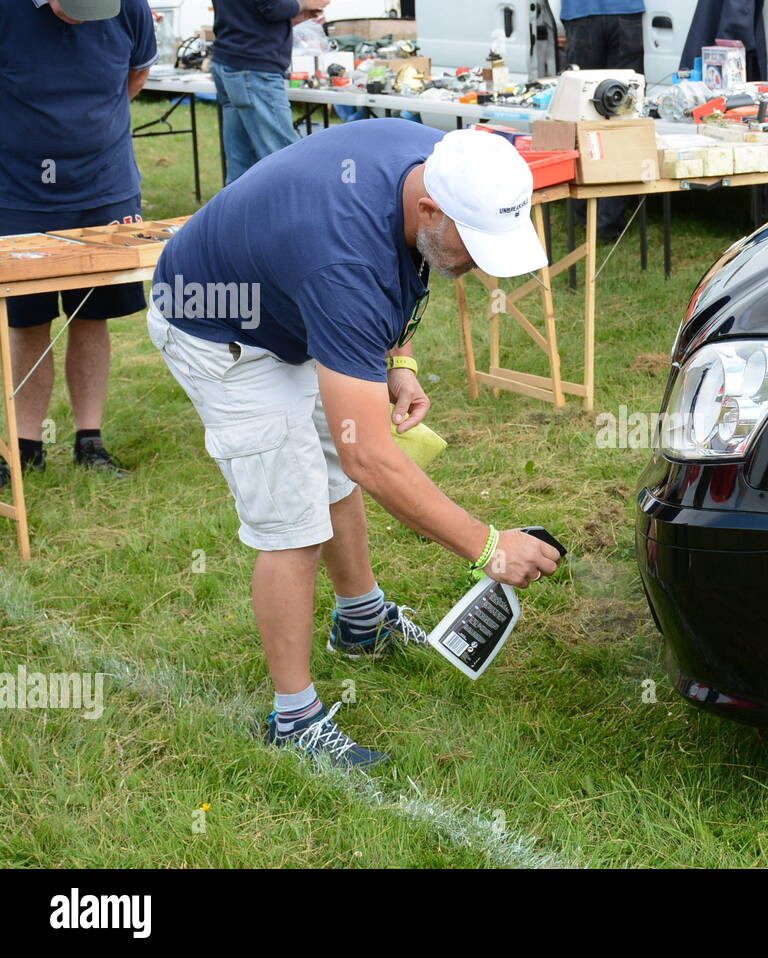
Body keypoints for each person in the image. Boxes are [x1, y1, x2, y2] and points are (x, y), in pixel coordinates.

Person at [149, 121, 563, 768]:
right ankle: (295, 723)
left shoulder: (438, 160)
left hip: (289, 303)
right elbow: (370, 453)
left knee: (332, 468)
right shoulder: (342, 261)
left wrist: (400, 358)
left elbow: (400, 269)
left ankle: (361, 622)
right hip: (218, 328)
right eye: (474, 246)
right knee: (294, 523)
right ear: (430, 207)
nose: (481, 266)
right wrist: (488, 548)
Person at [0, 0, 157, 490]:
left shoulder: (127, 6)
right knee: (28, 320)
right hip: (19, 192)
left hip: (105, 189)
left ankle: (90, 441)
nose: (87, 16)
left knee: (93, 315)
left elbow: (137, 76)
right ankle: (27, 447)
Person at [210, 0, 330, 183]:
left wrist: (294, 12)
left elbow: (252, 11)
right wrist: (305, 3)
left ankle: (238, 210)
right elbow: (272, 6)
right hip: (254, 66)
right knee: (284, 156)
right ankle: (295, 209)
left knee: (243, 162)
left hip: (231, 59)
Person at [560, 0, 645, 241]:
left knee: (582, 114)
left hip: (582, 12)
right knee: (623, 114)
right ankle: (608, 223)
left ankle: (587, 213)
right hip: (625, 12)